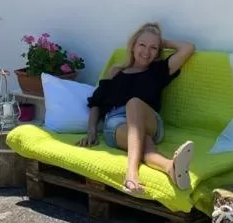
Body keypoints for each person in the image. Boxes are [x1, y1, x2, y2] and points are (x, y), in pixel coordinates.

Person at [77, 22, 195, 193]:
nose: (147, 52)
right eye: (142, 45)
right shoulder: (116, 71)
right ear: (132, 46)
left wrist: (162, 42)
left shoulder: (159, 70)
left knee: (134, 103)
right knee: (144, 142)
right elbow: (97, 101)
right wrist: (91, 131)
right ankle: (170, 167)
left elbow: (188, 48)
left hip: (150, 121)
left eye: (153, 48)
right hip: (117, 125)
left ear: (158, 52)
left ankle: (131, 174)